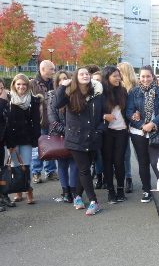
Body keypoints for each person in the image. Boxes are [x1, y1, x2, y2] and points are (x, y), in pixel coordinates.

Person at [55, 67, 105, 216]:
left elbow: (103, 114)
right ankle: (94, 201)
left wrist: (99, 131)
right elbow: (57, 104)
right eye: (81, 74)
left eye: (87, 74)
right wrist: (63, 85)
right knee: (84, 169)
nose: (85, 75)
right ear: (76, 77)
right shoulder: (70, 93)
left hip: (92, 138)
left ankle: (77, 196)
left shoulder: (97, 94)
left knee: (86, 169)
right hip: (75, 139)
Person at [126, 66, 159, 203]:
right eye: (143, 76)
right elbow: (129, 112)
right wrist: (142, 125)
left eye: (148, 76)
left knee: (157, 162)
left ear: (153, 77)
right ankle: (146, 190)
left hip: (156, 131)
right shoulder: (134, 92)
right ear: (139, 77)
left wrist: (152, 124)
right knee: (143, 162)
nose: (145, 79)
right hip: (138, 132)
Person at [5, 74, 42, 205]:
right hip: (12, 139)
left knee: (26, 166)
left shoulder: (33, 100)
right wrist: (9, 142)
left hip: (26, 138)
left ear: (28, 86)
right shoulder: (8, 99)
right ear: (14, 85)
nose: (21, 86)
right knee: (15, 167)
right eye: (18, 84)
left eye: (24, 84)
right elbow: (6, 122)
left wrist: (35, 138)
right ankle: (18, 192)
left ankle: (28, 191)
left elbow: (36, 122)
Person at [47, 70, 78, 203]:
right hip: (58, 135)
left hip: (74, 136)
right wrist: (66, 131)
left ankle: (73, 190)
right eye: (60, 80)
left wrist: (71, 132)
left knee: (75, 163)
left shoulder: (74, 95)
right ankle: (65, 191)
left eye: (65, 78)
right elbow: (52, 118)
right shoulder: (52, 95)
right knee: (62, 164)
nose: (63, 81)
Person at [101, 66, 129, 203]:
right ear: (107, 78)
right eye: (114, 76)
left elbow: (128, 109)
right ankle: (110, 191)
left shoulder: (123, 91)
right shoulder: (100, 92)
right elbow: (93, 111)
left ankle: (120, 190)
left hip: (122, 131)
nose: (118, 78)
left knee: (119, 161)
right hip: (107, 132)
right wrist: (104, 116)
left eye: (119, 75)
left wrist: (134, 115)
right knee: (107, 161)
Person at [30, 60, 57, 183]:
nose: (54, 71)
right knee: (38, 148)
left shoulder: (54, 83)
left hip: (53, 121)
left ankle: (50, 171)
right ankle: (36, 172)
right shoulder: (32, 84)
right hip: (39, 121)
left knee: (51, 147)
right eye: (51, 69)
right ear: (43, 69)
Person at [117, 62, 138, 193]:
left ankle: (144, 177)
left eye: (119, 71)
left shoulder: (135, 87)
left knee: (139, 152)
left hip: (136, 123)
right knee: (125, 152)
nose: (117, 73)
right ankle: (128, 177)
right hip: (121, 124)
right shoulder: (116, 86)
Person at [0, 78, 15, 210]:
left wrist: (10, 143)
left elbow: (8, 124)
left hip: (3, 142)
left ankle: (4, 195)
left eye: (1, 88)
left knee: (3, 171)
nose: (0, 91)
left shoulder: (5, 103)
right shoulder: (3, 102)